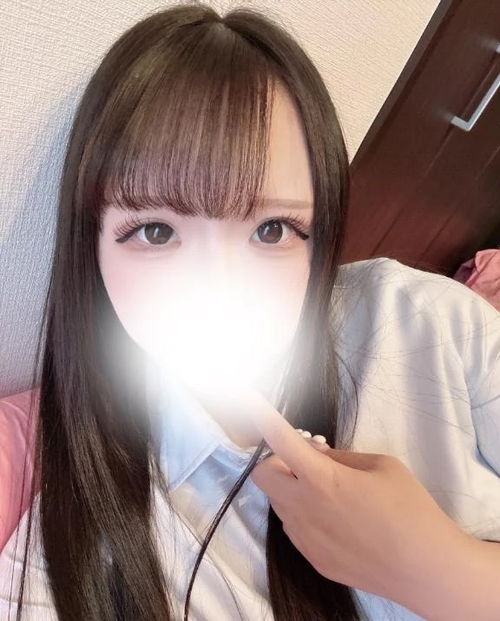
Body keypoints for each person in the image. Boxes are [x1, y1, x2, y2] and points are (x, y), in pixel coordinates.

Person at [0, 3, 499, 620]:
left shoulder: (428, 322)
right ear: (91, 248)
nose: (220, 289)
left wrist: (440, 570)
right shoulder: (65, 569)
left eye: (272, 229)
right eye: (156, 231)